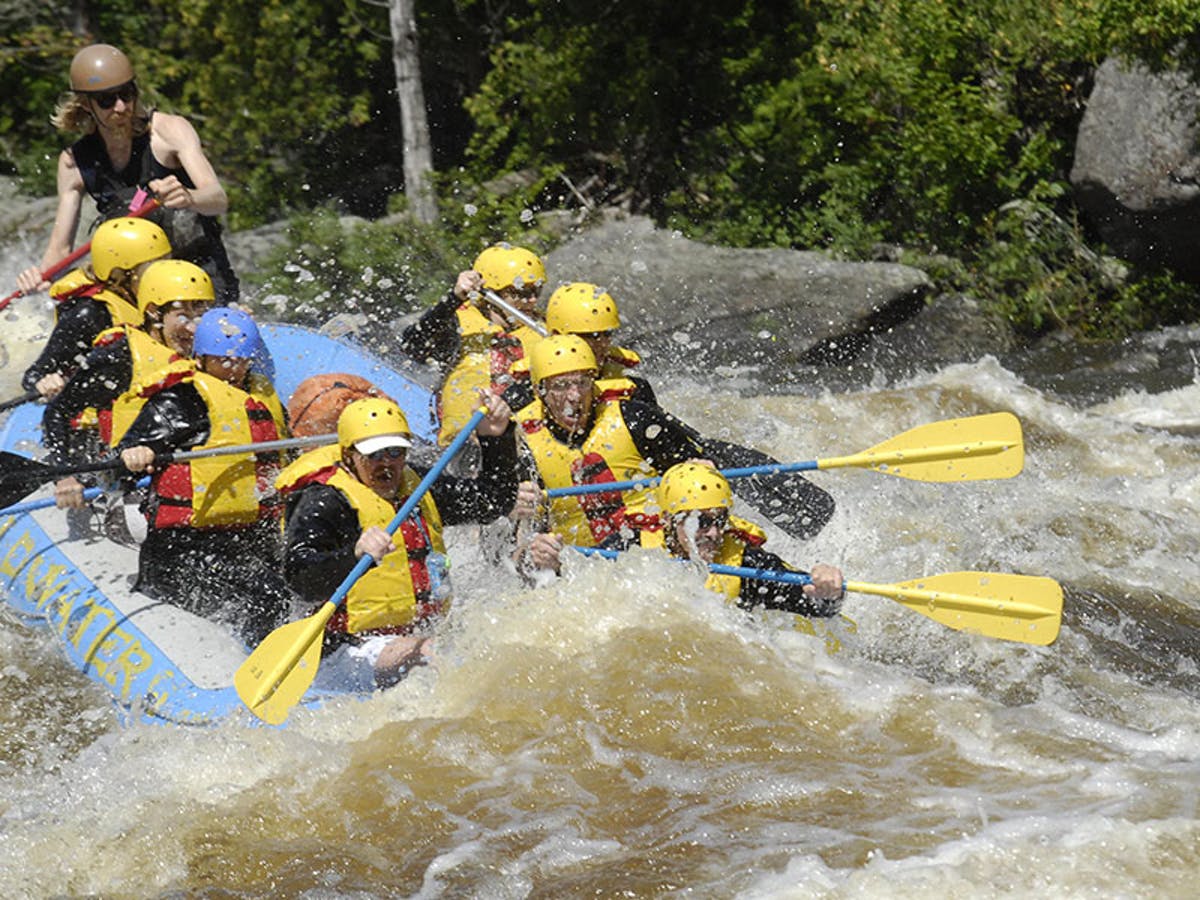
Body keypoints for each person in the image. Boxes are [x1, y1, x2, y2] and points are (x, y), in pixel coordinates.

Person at [542, 280, 835, 540]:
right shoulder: (536, 384)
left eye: (604, 335)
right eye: (588, 337)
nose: (599, 345)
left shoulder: (633, 389)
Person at [277, 394, 519, 688]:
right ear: (348, 455)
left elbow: (492, 502)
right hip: (346, 648)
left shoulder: (417, 485)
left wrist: (496, 439)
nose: (387, 464)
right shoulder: (324, 500)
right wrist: (354, 556)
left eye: (395, 452)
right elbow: (300, 577)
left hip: (414, 635)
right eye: (374, 455)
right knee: (432, 654)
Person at [116, 307, 290, 644]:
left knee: (290, 582)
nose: (234, 368)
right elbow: (117, 463)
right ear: (201, 357)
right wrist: (133, 455)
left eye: (241, 359)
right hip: (184, 546)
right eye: (223, 360)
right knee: (267, 592)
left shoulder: (263, 398)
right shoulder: (179, 401)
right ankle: (256, 667)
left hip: (250, 537)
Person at [15, 43, 238, 304]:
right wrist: (40, 277)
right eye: (107, 100)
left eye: (127, 94)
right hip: (133, 285)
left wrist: (190, 197)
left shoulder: (169, 131)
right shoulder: (73, 163)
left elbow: (218, 198)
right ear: (86, 104)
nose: (121, 107)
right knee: (80, 316)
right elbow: (60, 250)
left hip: (198, 272)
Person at [511, 334, 712, 567]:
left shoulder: (636, 419)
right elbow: (508, 554)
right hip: (577, 569)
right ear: (540, 390)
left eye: (583, 383)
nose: (575, 396)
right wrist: (515, 514)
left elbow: (702, 487)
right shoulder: (524, 446)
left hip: (655, 556)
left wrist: (700, 473)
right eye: (561, 386)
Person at [43, 259, 214, 511]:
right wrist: (64, 475)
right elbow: (57, 411)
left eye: (201, 314)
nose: (193, 327)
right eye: (183, 315)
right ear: (154, 312)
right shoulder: (119, 357)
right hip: (129, 487)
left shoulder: (214, 352)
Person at [397, 243, 547, 445]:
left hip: (525, 445)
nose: (531, 301)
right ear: (490, 294)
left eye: (537, 291)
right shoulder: (458, 326)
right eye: (521, 293)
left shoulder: (546, 331)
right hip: (464, 448)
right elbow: (412, 346)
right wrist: (454, 298)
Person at [22, 215, 170, 399]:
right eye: (151, 268)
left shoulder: (167, 299)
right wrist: (46, 383)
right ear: (120, 275)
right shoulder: (89, 314)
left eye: (166, 261)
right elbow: (33, 376)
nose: (165, 273)